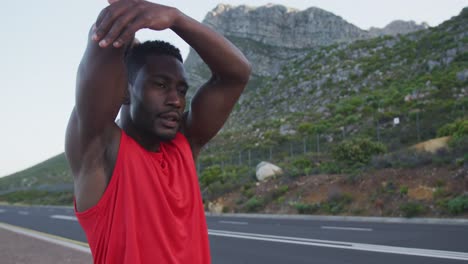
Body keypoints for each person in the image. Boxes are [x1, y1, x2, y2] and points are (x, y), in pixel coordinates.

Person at [64, 0, 251, 263]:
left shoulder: (184, 144)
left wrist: (176, 19)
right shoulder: (100, 151)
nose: (176, 100)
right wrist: (120, 18)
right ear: (125, 92)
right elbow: (99, 60)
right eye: (160, 85)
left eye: (182, 90)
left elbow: (236, 75)